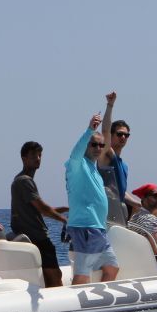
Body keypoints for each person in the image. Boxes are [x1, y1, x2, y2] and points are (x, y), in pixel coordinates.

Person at [65, 112, 119, 285]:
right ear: (86, 145)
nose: (98, 148)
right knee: (82, 273)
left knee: (112, 267)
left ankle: (99, 298)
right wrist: (89, 130)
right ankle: (75, 300)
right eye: (94, 144)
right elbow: (75, 153)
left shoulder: (94, 169)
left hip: (98, 228)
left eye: (101, 145)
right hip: (85, 227)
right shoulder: (77, 165)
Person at [10, 141, 68, 288]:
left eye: (39, 155)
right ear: (24, 158)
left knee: (52, 275)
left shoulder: (20, 180)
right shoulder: (25, 181)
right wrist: (64, 220)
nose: (37, 158)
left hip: (33, 237)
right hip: (39, 238)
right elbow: (42, 208)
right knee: (55, 277)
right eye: (33, 155)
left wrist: (66, 209)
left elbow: (38, 209)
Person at [96, 91, 140, 225]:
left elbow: (119, 191)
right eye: (120, 134)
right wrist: (110, 105)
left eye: (126, 135)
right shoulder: (107, 155)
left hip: (118, 215)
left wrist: (138, 203)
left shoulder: (124, 166)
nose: (123, 137)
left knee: (138, 206)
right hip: (104, 216)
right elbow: (105, 131)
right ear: (112, 135)